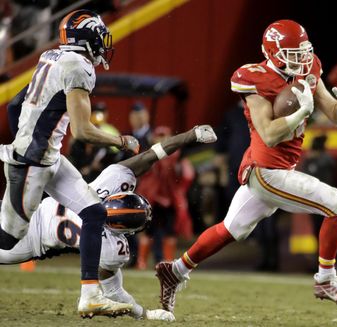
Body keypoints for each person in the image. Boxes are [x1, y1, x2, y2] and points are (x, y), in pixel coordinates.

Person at [155, 19, 337, 314]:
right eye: (294, 53)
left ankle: (174, 271)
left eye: (304, 51)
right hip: (267, 171)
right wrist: (300, 113)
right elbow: (269, 133)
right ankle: (326, 280)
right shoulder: (255, 79)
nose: (301, 59)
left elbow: (336, 115)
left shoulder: (309, 67)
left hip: (280, 169)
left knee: (230, 229)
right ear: (273, 52)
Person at [0, 9, 140, 318]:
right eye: (100, 37)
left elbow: (14, 106)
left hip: (47, 156)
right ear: (87, 38)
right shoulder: (78, 67)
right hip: (33, 163)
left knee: (94, 211)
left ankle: (90, 295)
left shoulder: (51, 57)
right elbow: (82, 130)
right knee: (8, 239)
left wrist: (28, 135)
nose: (104, 44)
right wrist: (122, 141)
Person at [0, 124, 217, 320]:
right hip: (29, 245)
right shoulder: (114, 247)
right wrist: (144, 314)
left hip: (26, 209)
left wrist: (190, 135)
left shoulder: (111, 183)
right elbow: (114, 294)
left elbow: (152, 155)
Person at [135, 126, 195, 269]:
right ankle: (141, 262)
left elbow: (187, 176)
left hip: (170, 201)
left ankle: (167, 262)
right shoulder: (150, 154)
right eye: (159, 136)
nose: (162, 139)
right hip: (152, 199)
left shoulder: (177, 155)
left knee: (170, 232)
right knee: (148, 231)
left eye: (164, 136)